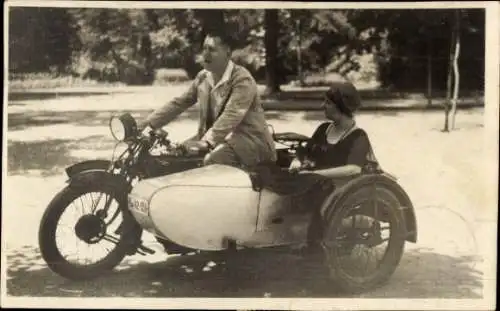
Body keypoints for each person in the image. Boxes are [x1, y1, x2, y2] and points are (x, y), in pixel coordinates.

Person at [138, 30, 277, 169]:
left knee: (212, 160)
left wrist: (207, 141)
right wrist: (145, 125)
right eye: (204, 48)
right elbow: (179, 103)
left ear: (228, 53)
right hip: (220, 140)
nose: (205, 53)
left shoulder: (242, 80)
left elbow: (232, 114)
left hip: (250, 143)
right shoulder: (203, 77)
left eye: (211, 49)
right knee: (175, 158)